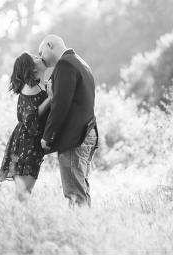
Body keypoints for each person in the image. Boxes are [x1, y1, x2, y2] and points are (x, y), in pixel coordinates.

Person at [37, 35, 98, 207]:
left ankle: (79, 231)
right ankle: (86, 229)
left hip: (75, 139)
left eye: (41, 53)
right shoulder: (80, 62)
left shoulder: (65, 64)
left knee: (74, 193)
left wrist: (47, 136)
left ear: (50, 45)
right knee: (81, 190)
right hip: (88, 134)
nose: (41, 58)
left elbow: (61, 104)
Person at [0, 52, 52, 199]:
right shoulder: (30, 86)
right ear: (32, 68)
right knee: (22, 195)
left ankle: (19, 220)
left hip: (31, 141)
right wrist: (50, 98)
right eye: (35, 58)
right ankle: (16, 221)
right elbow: (30, 119)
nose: (40, 57)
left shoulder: (40, 84)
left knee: (25, 193)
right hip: (26, 143)